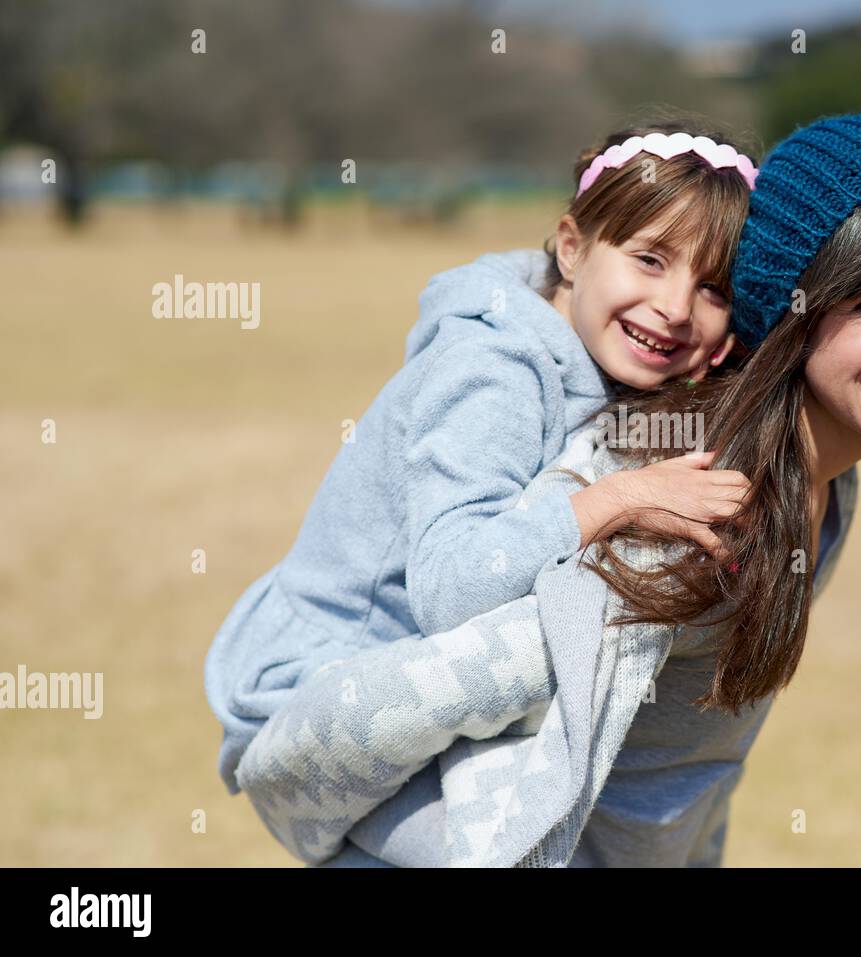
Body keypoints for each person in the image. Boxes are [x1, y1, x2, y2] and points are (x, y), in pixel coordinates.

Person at [219, 113, 861, 868]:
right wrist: (611, 502)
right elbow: (429, 646)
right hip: (320, 676)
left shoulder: (826, 491)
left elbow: (691, 775)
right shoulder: (647, 484)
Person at [203, 118, 759, 795]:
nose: (675, 307)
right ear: (573, 249)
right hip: (315, 684)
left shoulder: (606, 350)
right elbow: (450, 586)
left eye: (714, 290)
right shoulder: (495, 368)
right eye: (650, 259)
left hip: (409, 696)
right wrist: (623, 498)